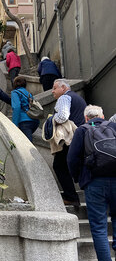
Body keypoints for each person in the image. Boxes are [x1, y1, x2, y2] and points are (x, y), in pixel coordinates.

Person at [67, 105, 116, 261]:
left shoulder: (82, 130)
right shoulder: (113, 127)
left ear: (86, 118)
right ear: (102, 116)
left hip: (95, 182)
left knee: (99, 228)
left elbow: (72, 159)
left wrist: (79, 178)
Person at [51, 78, 86, 206]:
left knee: (59, 166)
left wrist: (51, 119)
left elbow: (63, 116)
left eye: (55, 88)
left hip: (69, 138)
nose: (52, 91)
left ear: (64, 88)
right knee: (67, 165)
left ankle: (71, 197)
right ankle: (74, 196)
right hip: (79, 137)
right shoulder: (78, 98)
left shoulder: (64, 98)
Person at [11, 76, 39, 142]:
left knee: (28, 145)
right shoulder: (29, 94)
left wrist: (14, 125)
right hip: (34, 121)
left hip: (24, 121)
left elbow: (16, 107)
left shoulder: (15, 93)